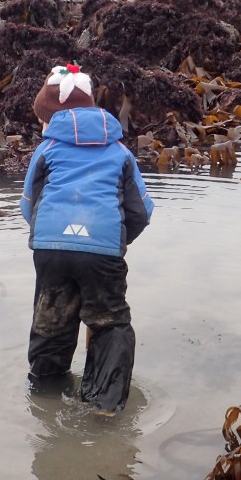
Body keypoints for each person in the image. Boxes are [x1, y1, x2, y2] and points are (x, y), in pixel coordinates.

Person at [20, 63, 154, 414]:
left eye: (41, 119)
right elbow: (141, 211)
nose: (40, 125)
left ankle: (45, 396)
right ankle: (104, 408)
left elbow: (28, 205)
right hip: (103, 250)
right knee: (110, 324)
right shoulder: (120, 151)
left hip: (50, 248)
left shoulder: (46, 150)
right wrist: (113, 242)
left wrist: (54, 237)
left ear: (52, 118)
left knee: (51, 319)